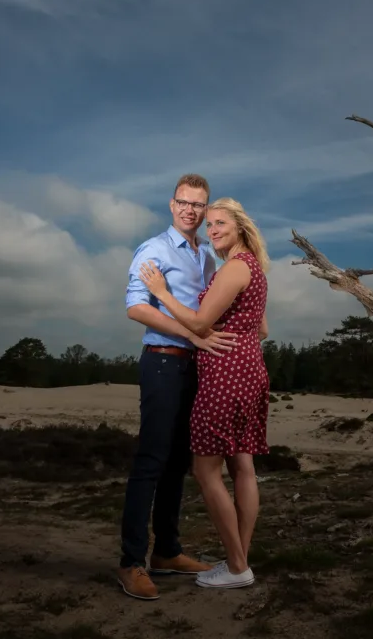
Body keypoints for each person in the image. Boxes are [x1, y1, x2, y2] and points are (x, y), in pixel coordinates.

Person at [117, 173, 239, 601]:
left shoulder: (208, 256)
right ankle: (132, 561)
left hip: (198, 369)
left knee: (177, 464)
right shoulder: (153, 250)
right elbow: (136, 308)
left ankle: (166, 552)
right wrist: (193, 336)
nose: (191, 210)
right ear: (172, 206)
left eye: (198, 205)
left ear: (206, 211)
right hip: (163, 365)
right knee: (151, 461)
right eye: (184, 202)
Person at [138, 197, 270, 590]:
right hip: (250, 369)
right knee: (242, 467)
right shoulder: (255, 269)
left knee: (205, 469)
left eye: (220, 224)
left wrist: (160, 292)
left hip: (225, 374)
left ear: (241, 227)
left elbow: (198, 321)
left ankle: (236, 565)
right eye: (209, 225)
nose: (212, 231)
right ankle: (237, 564)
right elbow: (262, 329)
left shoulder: (234, 267)